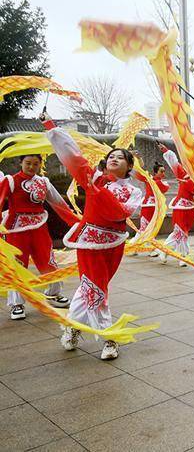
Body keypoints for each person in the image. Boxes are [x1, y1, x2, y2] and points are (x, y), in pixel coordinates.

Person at [44, 115, 142, 360]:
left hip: (113, 243)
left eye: (120, 157)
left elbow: (120, 213)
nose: (114, 159)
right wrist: (51, 127)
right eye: (111, 156)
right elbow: (74, 157)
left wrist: (96, 192)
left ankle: (73, 327)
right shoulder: (94, 178)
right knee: (94, 286)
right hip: (88, 240)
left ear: (129, 166)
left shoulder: (133, 192)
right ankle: (109, 337)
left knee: (93, 285)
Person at [0, 155, 80, 320]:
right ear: (21, 163)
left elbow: (58, 203)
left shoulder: (44, 182)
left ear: (40, 165)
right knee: (17, 265)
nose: (31, 167)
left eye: (35, 164)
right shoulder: (11, 180)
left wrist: (76, 222)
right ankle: (17, 303)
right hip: (16, 230)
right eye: (28, 163)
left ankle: (53, 293)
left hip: (39, 228)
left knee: (48, 261)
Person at [158, 143, 194, 266]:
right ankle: (177, 255)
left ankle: (178, 255)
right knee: (179, 231)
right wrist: (165, 150)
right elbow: (173, 161)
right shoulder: (183, 173)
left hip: (190, 207)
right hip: (180, 206)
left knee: (183, 232)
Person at [132, 161, 170, 255]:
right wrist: (138, 165)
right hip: (149, 207)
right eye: (161, 171)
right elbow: (165, 188)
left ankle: (134, 247)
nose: (163, 173)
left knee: (144, 229)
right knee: (149, 229)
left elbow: (139, 175)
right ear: (155, 172)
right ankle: (152, 249)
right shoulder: (155, 181)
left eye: (164, 171)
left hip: (150, 206)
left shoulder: (150, 180)